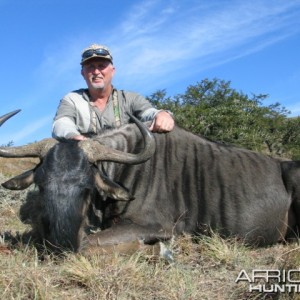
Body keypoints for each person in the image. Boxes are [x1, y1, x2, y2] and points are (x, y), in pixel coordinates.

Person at [52, 44, 175, 141]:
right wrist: (73, 136)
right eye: (90, 67)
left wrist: (161, 114)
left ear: (113, 71)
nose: (96, 72)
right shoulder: (72, 99)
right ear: (83, 73)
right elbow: (61, 123)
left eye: (101, 66)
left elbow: (148, 113)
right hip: (85, 161)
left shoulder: (131, 98)